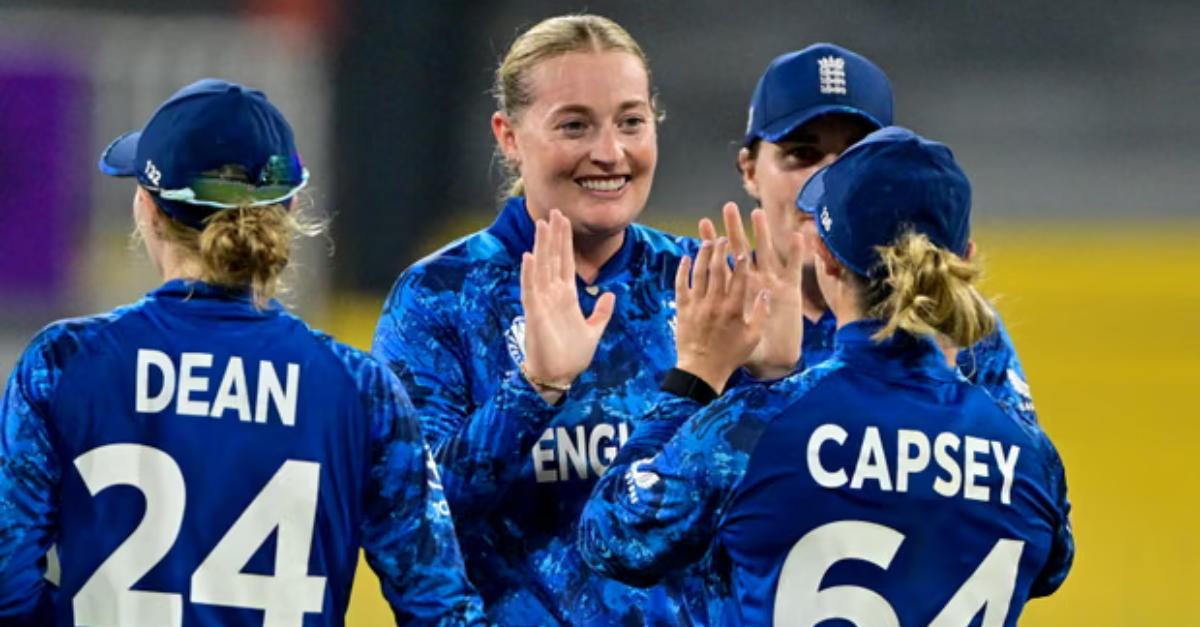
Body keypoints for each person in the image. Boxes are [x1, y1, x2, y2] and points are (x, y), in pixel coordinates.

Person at [0, 79, 486, 627]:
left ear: (148, 208)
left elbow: (6, 583)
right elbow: (440, 609)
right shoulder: (359, 390)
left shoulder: (62, 363)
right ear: (291, 207)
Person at [578, 127, 1074, 626]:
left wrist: (696, 377)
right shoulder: (1030, 457)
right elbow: (1052, 564)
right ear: (963, 259)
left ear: (827, 257)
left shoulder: (754, 429)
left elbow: (614, 537)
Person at [371, 13, 728, 626]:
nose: (610, 153)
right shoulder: (441, 297)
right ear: (509, 136)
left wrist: (775, 379)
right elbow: (406, 522)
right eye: (574, 125)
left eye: (631, 122)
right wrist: (533, 391)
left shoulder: (698, 285)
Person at [735, 44, 1036, 419]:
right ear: (749, 170)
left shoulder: (953, 320)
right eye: (802, 154)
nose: (829, 181)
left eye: (855, 156)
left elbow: (1017, 469)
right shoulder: (697, 309)